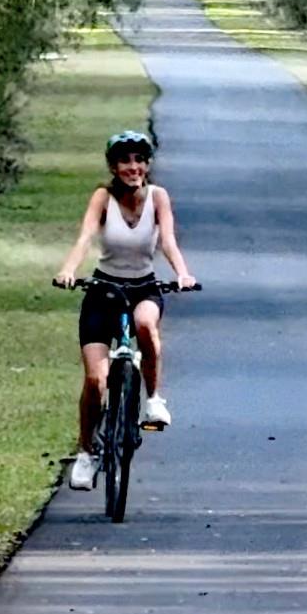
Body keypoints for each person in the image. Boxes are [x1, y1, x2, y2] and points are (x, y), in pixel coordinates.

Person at [55, 130, 196, 490]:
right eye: (124, 161)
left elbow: (168, 241)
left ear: (147, 165)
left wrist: (182, 274)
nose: (132, 168)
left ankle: (153, 399)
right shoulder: (103, 197)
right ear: (113, 167)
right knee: (95, 380)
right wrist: (69, 270)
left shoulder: (158, 197)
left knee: (145, 325)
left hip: (143, 286)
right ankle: (87, 454)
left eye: (138, 160)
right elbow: (85, 237)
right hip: (104, 290)